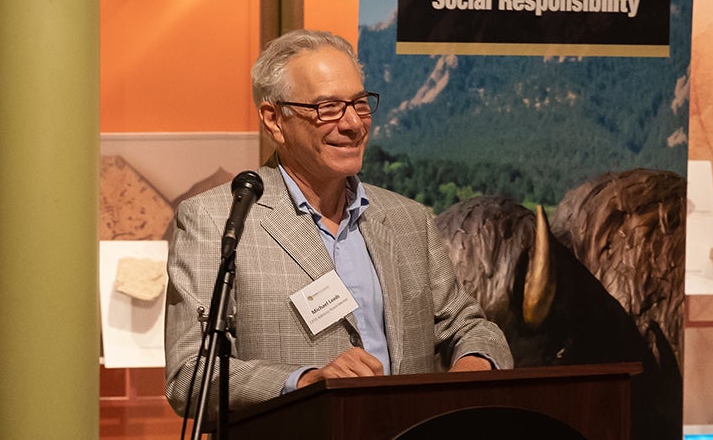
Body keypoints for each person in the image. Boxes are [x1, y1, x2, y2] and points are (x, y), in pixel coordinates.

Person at [164, 29, 512, 416]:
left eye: (360, 104)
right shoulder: (216, 221)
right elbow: (189, 376)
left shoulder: (408, 219)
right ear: (275, 120)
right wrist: (304, 382)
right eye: (328, 107)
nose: (352, 124)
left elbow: (467, 324)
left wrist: (474, 365)